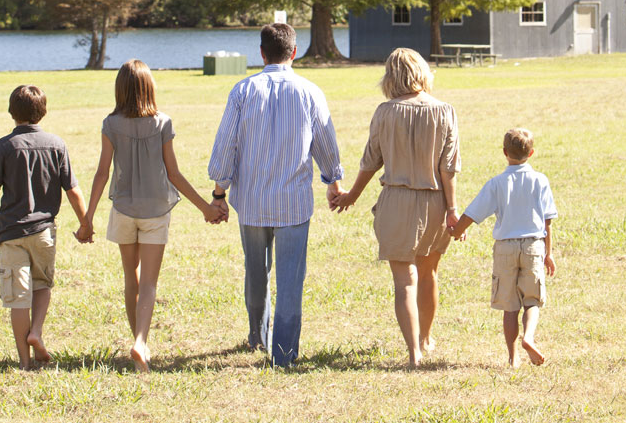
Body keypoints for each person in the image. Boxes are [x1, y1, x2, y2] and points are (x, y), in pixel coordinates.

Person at [208, 22, 344, 367]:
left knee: (256, 272)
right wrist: (333, 181)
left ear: (262, 52)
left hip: (251, 202)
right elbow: (325, 143)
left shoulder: (242, 91)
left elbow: (226, 145)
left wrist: (219, 192)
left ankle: (257, 335)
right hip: (293, 203)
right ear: (294, 52)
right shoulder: (310, 91)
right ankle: (283, 352)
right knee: (290, 278)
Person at [79, 60, 223, 373]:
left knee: (131, 278)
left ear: (120, 89)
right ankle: (141, 343)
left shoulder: (110, 124)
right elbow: (175, 174)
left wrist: (87, 218)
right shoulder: (162, 123)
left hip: (124, 210)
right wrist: (206, 209)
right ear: (149, 87)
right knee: (149, 283)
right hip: (156, 211)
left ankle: (138, 343)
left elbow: (102, 173)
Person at [333, 48, 460, 368]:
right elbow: (449, 168)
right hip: (435, 200)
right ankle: (425, 339)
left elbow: (370, 162)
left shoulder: (385, 112)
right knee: (429, 273)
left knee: (405, 279)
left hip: (397, 199)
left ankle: (413, 354)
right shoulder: (445, 110)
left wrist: (352, 196)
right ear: (423, 72)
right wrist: (452, 209)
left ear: (390, 77)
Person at [0, 84, 89, 371]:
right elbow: (73, 190)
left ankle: (24, 361)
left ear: (12, 112)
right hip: (44, 233)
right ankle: (36, 330)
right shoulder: (57, 144)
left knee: (17, 298)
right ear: (43, 112)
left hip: (11, 234)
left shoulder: (4, 146)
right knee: (42, 285)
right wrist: (85, 222)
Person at [449, 127, 557, 367]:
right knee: (532, 300)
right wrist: (549, 253)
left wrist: (457, 231)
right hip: (533, 245)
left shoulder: (497, 183)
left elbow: (473, 212)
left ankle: (512, 357)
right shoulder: (540, 180)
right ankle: (528, 337)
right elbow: (548, 221)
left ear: (505, 152)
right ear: (531, 154)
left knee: (509, 306)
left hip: (505, 247)